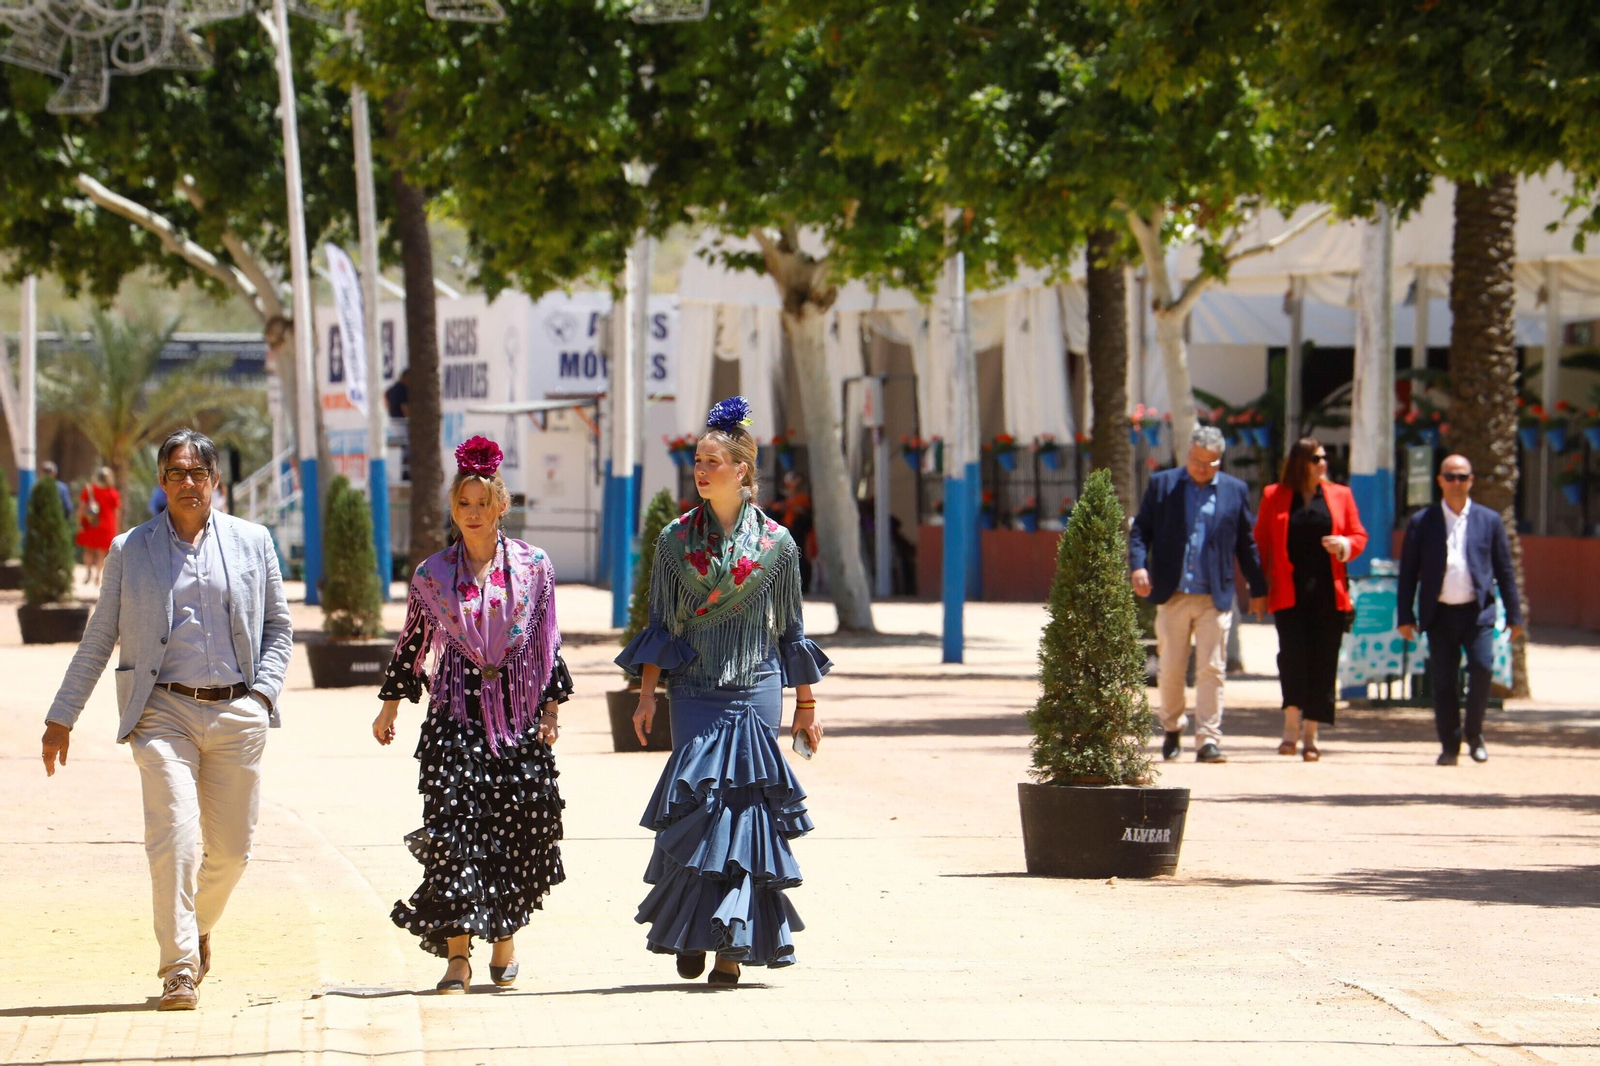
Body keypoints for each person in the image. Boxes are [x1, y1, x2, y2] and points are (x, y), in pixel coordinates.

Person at [40, 429, 292, 1011]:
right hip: (161, 713)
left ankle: (197, 924)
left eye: (196, 473)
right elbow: (102, 635)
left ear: (214, 483)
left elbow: (278, 627)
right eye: (175, 473)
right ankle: (178, 968)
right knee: (173, 838)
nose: (187, 483)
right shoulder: (132, 549)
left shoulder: (253, 541)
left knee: (231, 853)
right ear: (161, 482)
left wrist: (262, 697)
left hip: (237, 711)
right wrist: (62, 715)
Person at [617, 396, 829, 987]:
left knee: (745, 813)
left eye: (712, 462)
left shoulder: (779, 545)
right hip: (694, 691)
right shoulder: (673, 540)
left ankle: (730, 946)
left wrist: (806, 706)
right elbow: (661, 625)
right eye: (696, 463)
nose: (701, 472)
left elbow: (792, 632)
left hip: (757, 687)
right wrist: (645, 695)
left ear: (742, 470)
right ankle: (690, 927)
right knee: (701, 809)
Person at [372, 435, 571, 993]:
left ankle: (504, 942)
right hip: (454, 716)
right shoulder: (432, 575)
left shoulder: (534, 567)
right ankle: (457, 957)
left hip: (517, 718)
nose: (474, 513)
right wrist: (390, 706)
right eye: (464, 503)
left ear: (502, 504)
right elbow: (412, 643)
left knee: (516, 830)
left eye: (483, 502)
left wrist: (551, 709)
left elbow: (546, 644)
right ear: (452, 509)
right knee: (453, 832)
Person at [1129, 425, 1269, 764]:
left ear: (1220, 461)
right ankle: (1173, 727)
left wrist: (1258, 588)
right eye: (1195, 461)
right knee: (1172, 669)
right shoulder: (1164, 485)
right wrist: (1138, 566)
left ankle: (1208, 739)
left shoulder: (1235, 491)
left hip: (1214, 596)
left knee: (1211, 668)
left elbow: (1246, 543)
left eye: (1209, 463)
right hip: (1173, 593)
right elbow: (1140, 531)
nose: (1201, 468)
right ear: (1187, 455)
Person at [1397, 454, 1524, 765]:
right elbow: (1408, 572)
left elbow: (1505, 571)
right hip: (1438, 614)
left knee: (1482, 669)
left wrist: (1515, 615)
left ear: (1471, 481)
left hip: (1477, 613)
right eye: (1450, 476)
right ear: (1440, 480)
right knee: (1443, 682)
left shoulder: (1489, 520)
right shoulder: (1421, 522)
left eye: (1462, 477)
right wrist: (1405, 617)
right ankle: (1449, 745)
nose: (1456, 483)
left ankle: (1475, 733)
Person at [1255, 438, 1368, 761]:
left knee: (1323, 662)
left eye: (1324, 457)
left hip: (1329, 595)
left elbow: (1359, 535)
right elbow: (1260, 544)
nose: (1323, 463)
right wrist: (1259, 592)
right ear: (1300, 461)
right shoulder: (1274, 496)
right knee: (1291, 659)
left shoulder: (1340, 495)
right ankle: (1290, 729)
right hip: (1289, 593)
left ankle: (1311, 735)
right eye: (1316, 458)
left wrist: (1344, 544)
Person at [75, 466, 122, 585]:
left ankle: (88, 573)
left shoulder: (89, 490)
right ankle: (97, 576)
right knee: (102, 552)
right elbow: (117, 513)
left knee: (89, 550)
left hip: (91, 523)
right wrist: (117, 527)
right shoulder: (113, 493)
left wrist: (79, 521)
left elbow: (82, 507)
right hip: (107, 525)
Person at [776, 471, 814, 592]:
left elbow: (807, 514)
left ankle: (802, 586)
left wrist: (800, 510)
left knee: (800, 556)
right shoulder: (783, 496)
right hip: (785, 531)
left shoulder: (803, 497)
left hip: (799, 531)